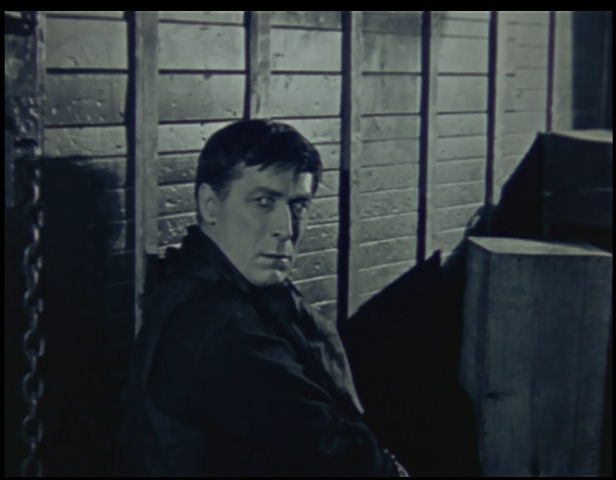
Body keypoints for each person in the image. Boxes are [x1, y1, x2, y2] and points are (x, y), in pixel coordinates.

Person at [112, 119, 409, 476]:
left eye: (298, 205)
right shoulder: (221, 328)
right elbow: (338, 456)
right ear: (209, 204)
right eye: (263, 202)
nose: (285, 228)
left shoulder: (208, 285)